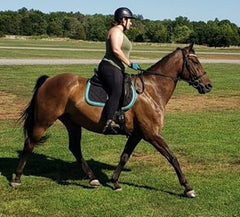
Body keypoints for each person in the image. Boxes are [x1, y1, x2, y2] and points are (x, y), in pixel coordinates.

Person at [97, 7, 141, 134]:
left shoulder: (121, 33)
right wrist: (130, 63)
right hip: (110, 66)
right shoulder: (115, 31)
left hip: (118, 68)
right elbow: (116, 50)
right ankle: (109, 121)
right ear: (123, 19)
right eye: (130, 20)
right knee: (117, 90)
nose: (131, 23)